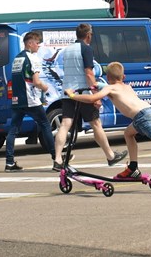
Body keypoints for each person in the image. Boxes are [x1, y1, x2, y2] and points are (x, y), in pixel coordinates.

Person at [65, 61, 151, 179]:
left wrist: (72, 96)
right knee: (128, 133)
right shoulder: (126, 87)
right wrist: (101, 86)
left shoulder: (110, 88)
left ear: (108, 77)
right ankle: (133, 168)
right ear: (123, 76)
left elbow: (92, 98)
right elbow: (113, 89)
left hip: (142, 117)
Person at [53, 23, 127, 171]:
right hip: (83, 92)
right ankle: (110, 156)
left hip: (68, 92)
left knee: (65, 124)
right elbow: (88, 73)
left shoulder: (67, 50)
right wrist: (96, 96)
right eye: (91, 35)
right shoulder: (86, 49)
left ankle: (57, 159)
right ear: (88, 35)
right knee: (96, 124)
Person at [5, 32, 56, 172]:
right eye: (37, 42)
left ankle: (9, 163)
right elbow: (36, 81)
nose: (39, 45)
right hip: (30, 99)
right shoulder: (33, 58)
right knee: (45, 125)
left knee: (13, 130)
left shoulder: (17, 58)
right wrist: (45, 87)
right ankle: (56, 159)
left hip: (17, 99)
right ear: (29, 43)